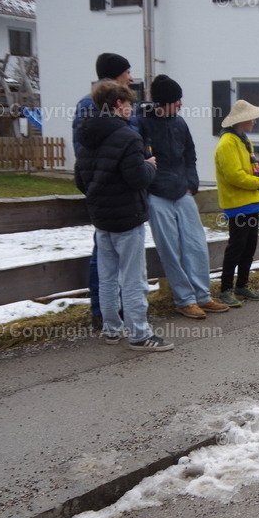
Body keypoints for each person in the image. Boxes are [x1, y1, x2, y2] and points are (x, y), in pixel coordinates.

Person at [75, 80, 173, 351]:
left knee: (107, 277)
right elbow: (137, 178)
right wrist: (149, 166)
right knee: (133, 278)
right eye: (129, 103)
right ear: (118, 104)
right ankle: (140, 334)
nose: (131, 108)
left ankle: (111, 328)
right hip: (128, 216)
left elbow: (80, 180)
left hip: (101, 218)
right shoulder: (128, 137)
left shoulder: (86, 136)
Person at [138, 75, 229, 320]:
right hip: (157, 196)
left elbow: (190, 155)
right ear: (163, 102)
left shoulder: (179, 123)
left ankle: (202, 296)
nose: (180, 103)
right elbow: (140, 158)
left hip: (182, 192)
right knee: (170, 249)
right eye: (176, 100)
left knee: (196, 244)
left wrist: (191, 184)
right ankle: (185, 300)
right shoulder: (142, 123)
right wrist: (151, 185)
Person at [73, 52, 135, 331]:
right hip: (111, 193)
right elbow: (86, 151)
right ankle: (104, 313)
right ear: (115, 74)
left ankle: (112, 314)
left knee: (111, 257)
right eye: (127, 72)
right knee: (107, 258)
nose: (130, 77)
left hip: (113, 191)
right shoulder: (91, 105)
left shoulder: (105, 104)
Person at [215, 99, 259, 307]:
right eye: (251, 118)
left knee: (249, 246)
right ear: (241, 120)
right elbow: (234, 176)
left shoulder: (243, 140)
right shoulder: (227, 143)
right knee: (236, 247)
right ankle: (226, 289)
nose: (254, 121)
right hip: (237, 204)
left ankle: (242, 285)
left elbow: (250, 166)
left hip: (251, 203)